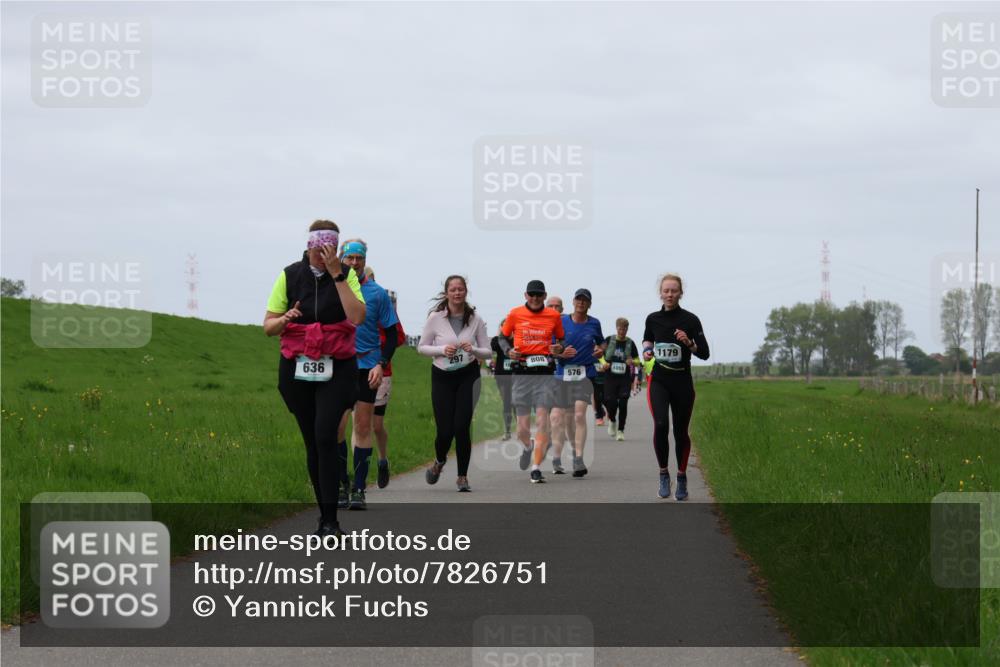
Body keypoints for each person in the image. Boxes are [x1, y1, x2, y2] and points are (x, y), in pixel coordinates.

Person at [264, 220, 366, 537]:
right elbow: (268, 327)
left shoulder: (346, 275)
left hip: (337, 368)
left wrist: (338, 275)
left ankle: (331, 521)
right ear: (309, 247)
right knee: (313, 441)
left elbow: (357, 317)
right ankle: (323, 516)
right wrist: (286, 318)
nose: (324, 255)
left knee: (325, 436)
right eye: (320, 249)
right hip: (297, 367)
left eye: (330, 249)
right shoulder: (289, 275)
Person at [337, 240, 400, 510]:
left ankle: (359, 489)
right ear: (341, 258)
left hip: (367, 367)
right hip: (339, 366)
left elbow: (392, 335)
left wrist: (381, 363)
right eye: (349, 258)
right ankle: (342, 484)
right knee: (337, 428)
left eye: (358, 259)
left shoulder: (377, 293)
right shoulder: (332, 288)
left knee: (363, 427)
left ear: (365, 260)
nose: (354, 263)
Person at [417, 275, 491, 491]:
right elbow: (422, 347)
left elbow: (487, 352)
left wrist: (473, 349)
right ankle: (439, 461)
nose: (457, 293)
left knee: (461, 426)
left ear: (466, 291)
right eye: (453, 289)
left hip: (468, 375)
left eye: (461, 289)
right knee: (445, 431)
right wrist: (442, 349)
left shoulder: (475, 319)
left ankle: (462, 477)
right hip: (442, 376)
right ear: (446, 293)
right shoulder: (435, 318)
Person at [642, 273, 710, 501]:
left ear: (681, 293)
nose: (669, 294)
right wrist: (647, 350)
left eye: (674, 291)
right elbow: (647, 339)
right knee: (661, 424)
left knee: (680, 431)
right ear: (660, 293)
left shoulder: (690, 320)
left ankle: (681, 477)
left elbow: (704, 353)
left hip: (682, 382)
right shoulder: (652, 319)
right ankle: (663, 474)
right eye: (666, 291)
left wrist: (689, 343)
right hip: (659, 381)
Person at [499, 280, 568, 484]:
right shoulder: (515, 314)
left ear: (544, 296)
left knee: (542, 422)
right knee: (522, 428)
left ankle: (536, 468)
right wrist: (508, 351)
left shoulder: (553, 316)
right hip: (522, 373)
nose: (535, 298)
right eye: (532, 294)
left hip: (545, 374)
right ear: (526, 295)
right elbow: (502, 338)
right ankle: (528, 447)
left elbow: (562, 340)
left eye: (539, 295)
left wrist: (559, 348)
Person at [552, 289, 605, 477]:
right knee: (562, 418)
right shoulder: (561, 322)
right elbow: (551, 349)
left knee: (579, 414)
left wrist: (600, 350)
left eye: (585, 300)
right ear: (573, 302)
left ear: (589, 304)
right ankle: (563, 454)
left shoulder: (594, 323)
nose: (581, 303)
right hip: (563, 375)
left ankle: (579, 458)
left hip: (584, 374)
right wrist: (560, 353)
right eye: (578, 299)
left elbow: (602, 342)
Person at [364, 266, 405, 489]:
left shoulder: (382, 303)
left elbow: (398, 337)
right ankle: (359, 477)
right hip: (356, 369)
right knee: (360, 424)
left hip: (382, 371)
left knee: (376, 425)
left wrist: (379, 347)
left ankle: (382, 460)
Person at [600, 317, 640, 442]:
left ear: (627, 329)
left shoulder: (630, 343)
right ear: (616, 328)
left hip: (624, 378)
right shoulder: (609, 340)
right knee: (610, 402)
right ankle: (612, 420)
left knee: (623, 403)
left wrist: (632, 361)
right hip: (610, 377)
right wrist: (603, 363)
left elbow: (638, 360)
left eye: (624, 329)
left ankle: (621, 430)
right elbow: (599, 354)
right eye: (620, 329)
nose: (622, 331)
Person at [490, 319, 515, 440]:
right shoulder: (497, 340)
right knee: (507, 402)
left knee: (517, 402)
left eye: (508, 326)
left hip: (516, 376)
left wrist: (513, 336)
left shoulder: (517, 339)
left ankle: (521, 429)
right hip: (502, 376)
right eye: (503, 326)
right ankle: (507, 431)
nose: (506, 328)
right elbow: (494, 347)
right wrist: (502, 335)